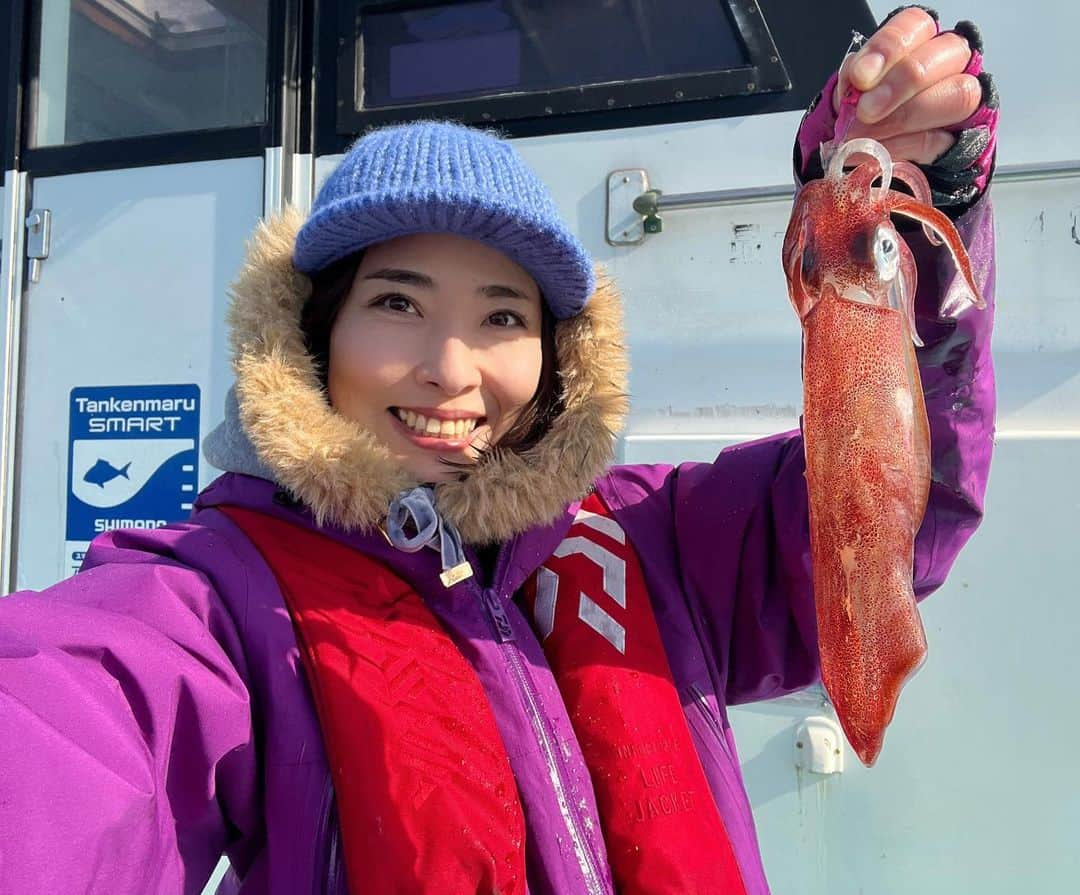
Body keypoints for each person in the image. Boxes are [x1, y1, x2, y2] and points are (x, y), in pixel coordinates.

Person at [0, 6, 997, 894]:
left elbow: (885, 513)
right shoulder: (212, 598)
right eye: (396, 303)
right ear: (315, 332)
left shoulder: (656, 539)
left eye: (501, 315)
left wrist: (905, 218)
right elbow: (65, 730)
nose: (452, 369)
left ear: (556, 356)